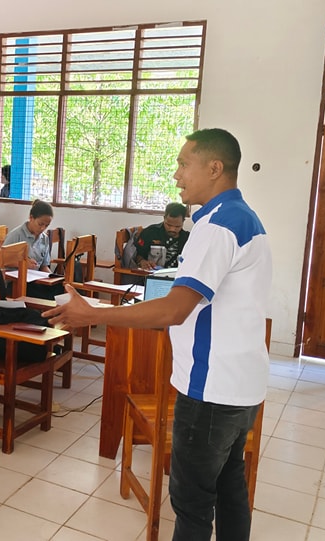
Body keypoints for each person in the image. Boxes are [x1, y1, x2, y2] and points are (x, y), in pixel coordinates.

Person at [44, 128, 271, 541]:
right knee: (228, 487)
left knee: (192, 502)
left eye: (185, 164)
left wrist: (94, 313)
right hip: (241, 383)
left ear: (215, 168)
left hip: (211, 389)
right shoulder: (243, 217)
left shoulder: (219, 225)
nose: (177, 174)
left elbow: (174, 309)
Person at [135, 202, 191, 270]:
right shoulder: (150, 232)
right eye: (169, 225)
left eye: (177, 226)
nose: (172, 229)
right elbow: (138, 254)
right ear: (164, 218)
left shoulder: (188, 238)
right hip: (152, 275)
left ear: (183, 221)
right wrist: (142, 262)